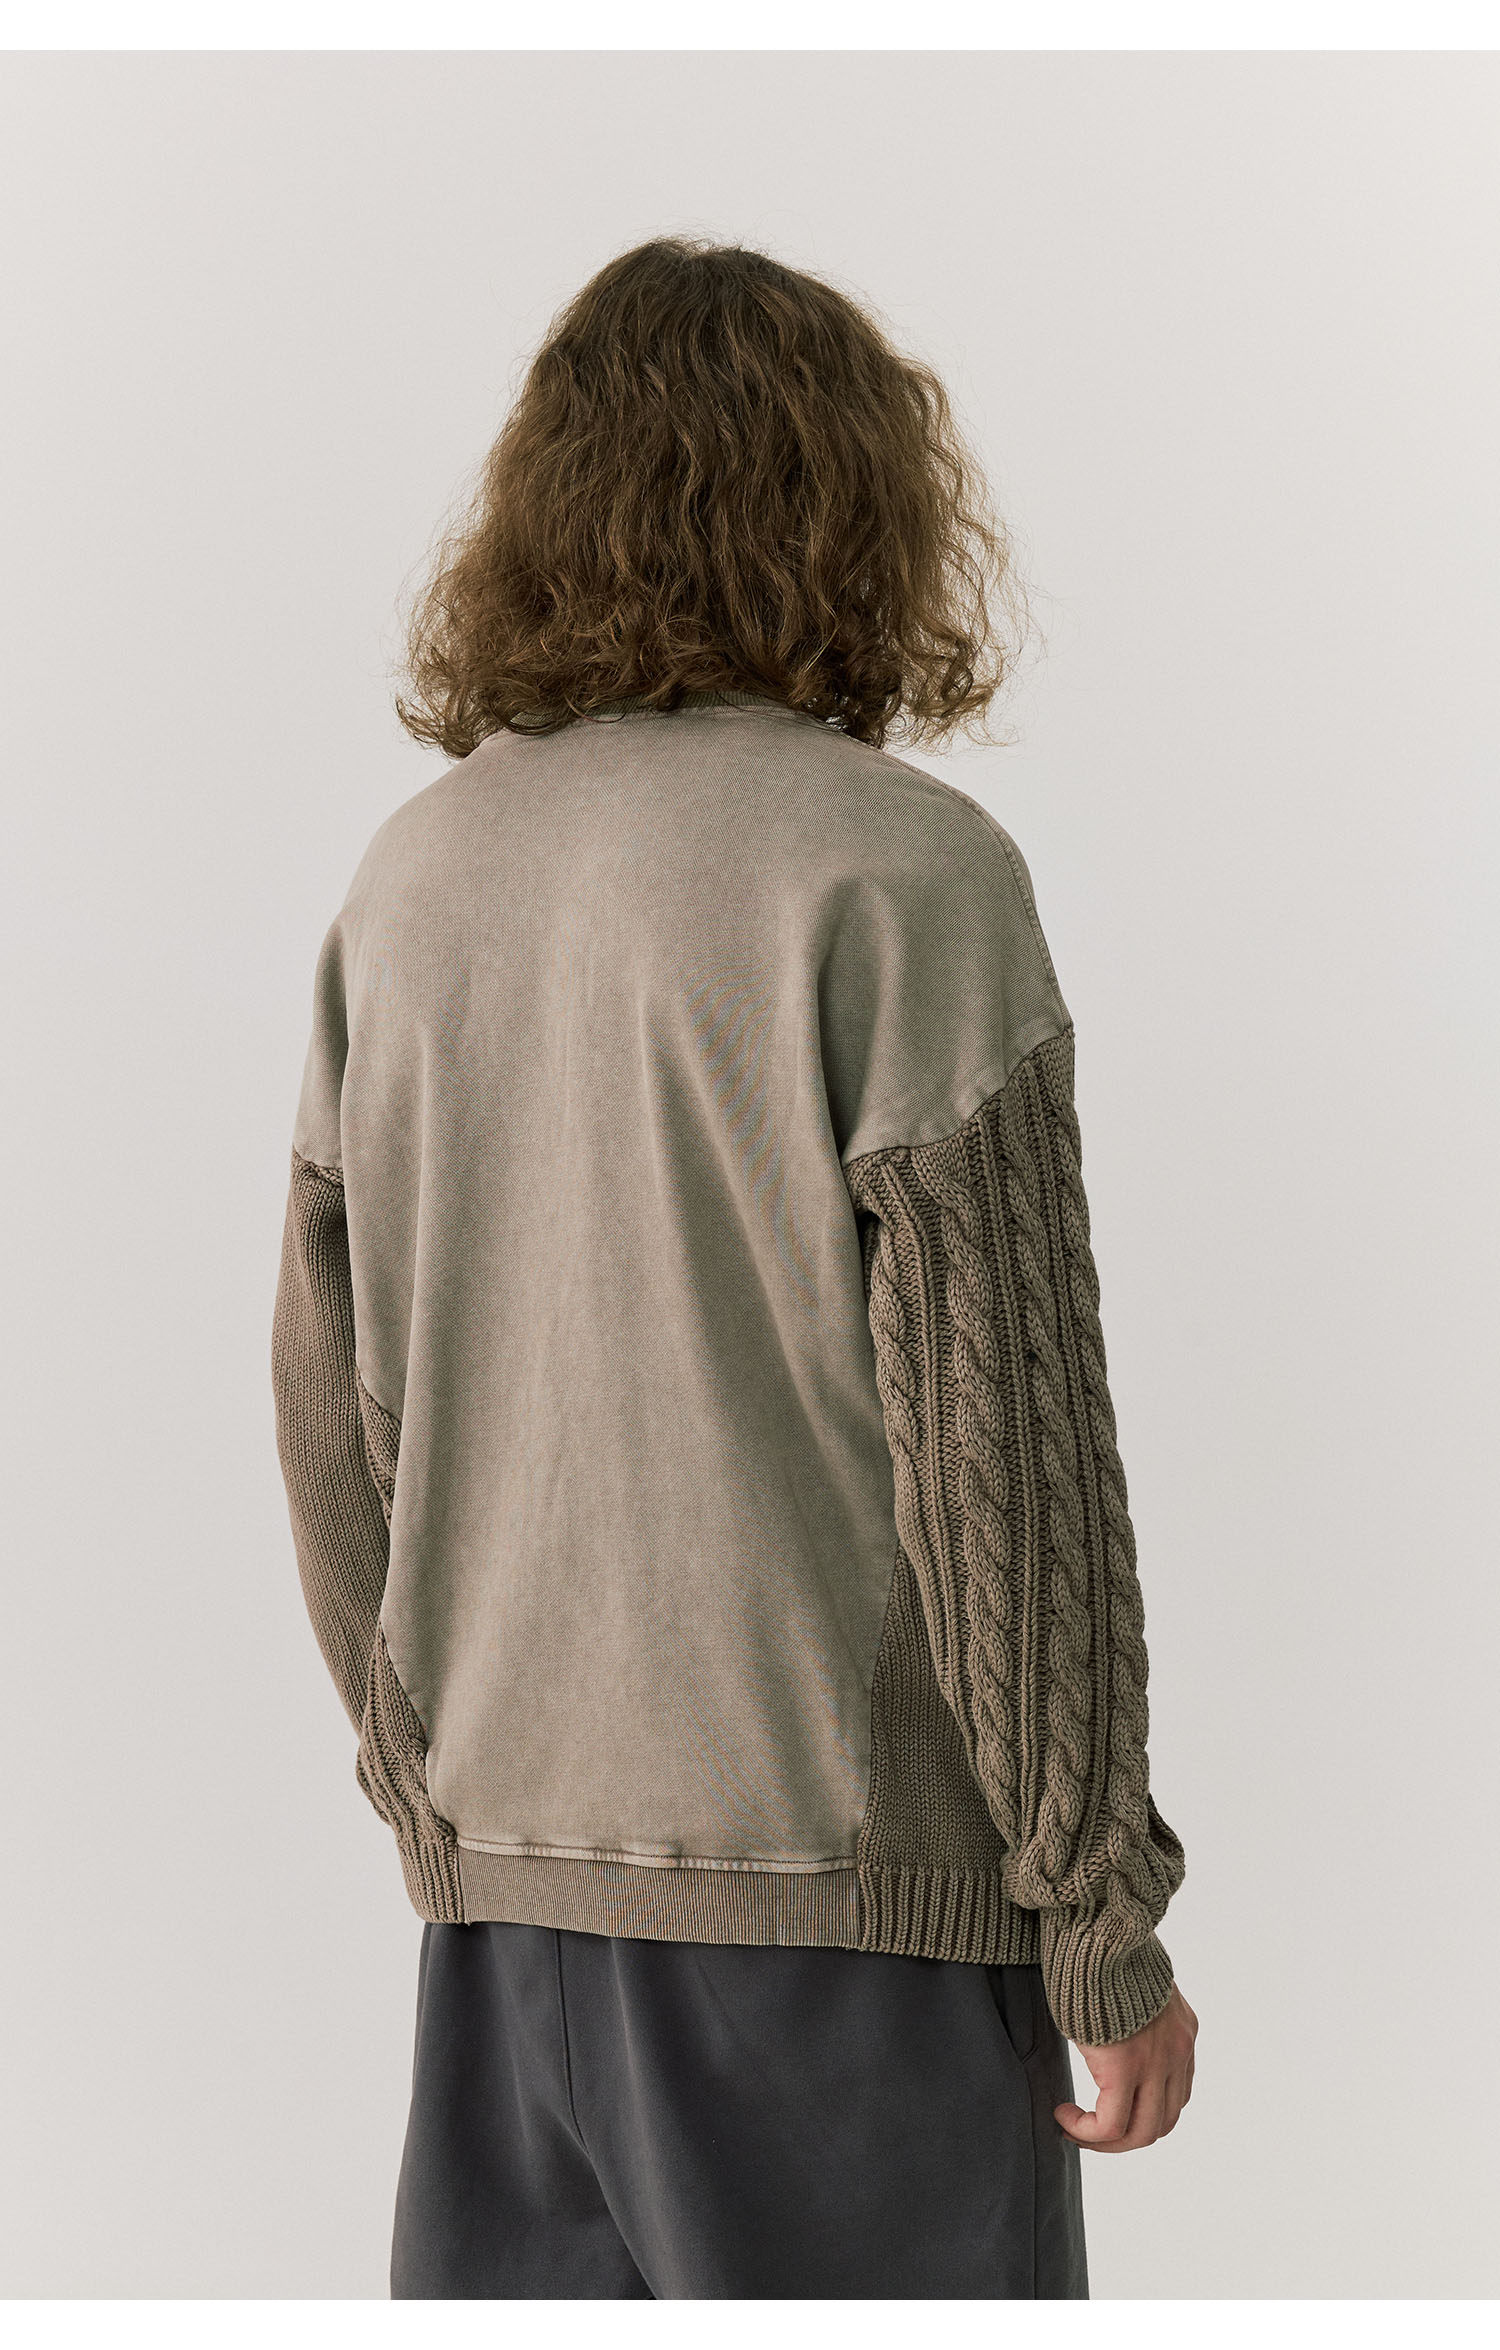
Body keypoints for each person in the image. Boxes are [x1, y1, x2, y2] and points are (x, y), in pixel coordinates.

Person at [271, 234, 1197, 2302]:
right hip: (844, 1945)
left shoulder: (413, 885)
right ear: (858, 507)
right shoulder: (902, 876)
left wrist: (437, 1799)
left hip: (508, 1946)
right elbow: (1007, 1457)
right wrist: (1100, 1917)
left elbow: (332, 1420)